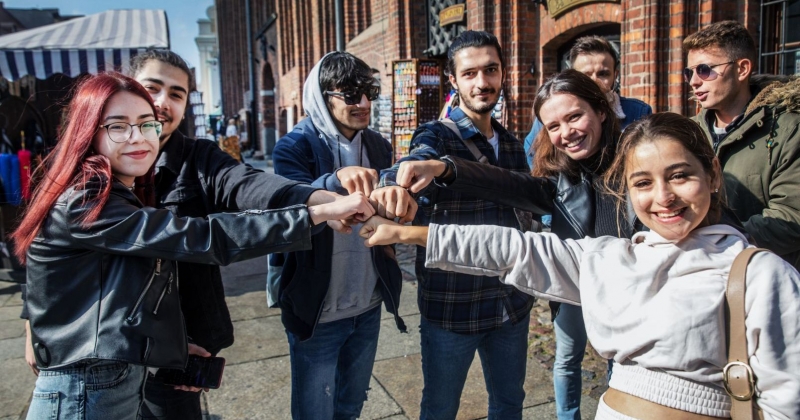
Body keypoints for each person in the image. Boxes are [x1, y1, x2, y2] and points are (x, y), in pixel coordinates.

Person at [361, 112, 800, 420]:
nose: (663, 197)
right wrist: (402, 233)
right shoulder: (614, 256)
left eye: (680, 175)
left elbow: (786, 399)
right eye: (643, 183)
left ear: (713, 176)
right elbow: (512, 248)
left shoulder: (759, 275)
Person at [14, 72, 375, 420]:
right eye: (119, 126)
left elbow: (111, 298)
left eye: (146, 124)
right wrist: (316, 212)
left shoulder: (122, 189)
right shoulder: (86, 200)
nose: (138, 137)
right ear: (88, 132)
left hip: (114, 380)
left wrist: (165, 348)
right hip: (84, 394)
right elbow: (202, 237)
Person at [389, 69, 633, 420]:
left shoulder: (635, 162)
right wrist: (445, 169)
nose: (566, 133)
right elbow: (510, 185)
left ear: (602, 110)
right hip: (587, 308)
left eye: (575, 116)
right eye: (554, 126)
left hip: (638, 318)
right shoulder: (564, 177)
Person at [379, 30, 535, 419]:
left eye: (491, 70)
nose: (482, 83)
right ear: (453, 80)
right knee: (439, 408)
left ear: (503, 73)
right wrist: (392, 185)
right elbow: (414, 160)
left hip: (510, 306)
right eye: (470, 74)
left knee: (509, 404)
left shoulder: (513, 145)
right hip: (454, 308)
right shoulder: (436, 136)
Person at [271, 51, 415, 419]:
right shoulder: (295, 146)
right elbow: (285, 208)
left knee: (351, 406)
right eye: (351, 94)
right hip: (318, 310)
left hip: (367, 302)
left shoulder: (379, 145)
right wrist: (333, 182)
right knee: (313, 411)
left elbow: (388, 212)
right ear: (322, 96)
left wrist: (399, 201)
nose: (364, 102)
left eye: (369, 91)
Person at [683, 20, 800, 269]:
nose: (694, 81)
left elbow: (791, 218)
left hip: (763, 280)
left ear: (742, 69)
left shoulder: (789, 129)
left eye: (704, 69)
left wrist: (712, 240)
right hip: (698, 275)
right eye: (689, 72)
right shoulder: (687, 132)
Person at [523, 35, 652, 168]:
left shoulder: (637, 111)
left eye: (603, 74)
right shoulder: (551, 116)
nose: (594, 81)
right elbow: (532, 151)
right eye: (585, 75)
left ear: (615, 75)